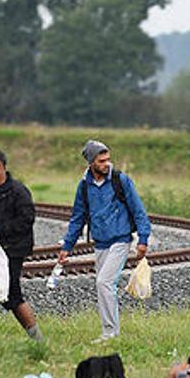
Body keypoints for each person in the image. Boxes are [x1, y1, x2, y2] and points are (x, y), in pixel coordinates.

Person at [58, 140, 152, 343]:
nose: (107, 164)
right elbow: (78, 217)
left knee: (104, 282)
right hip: (100, 243)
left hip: (121, 239)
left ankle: (110, 333)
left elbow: (138, 210)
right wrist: (67, 246)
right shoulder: (84, 186)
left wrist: (143, 239)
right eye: (102, 161)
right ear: (91, 162)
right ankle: (108, 330)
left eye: (108, 159)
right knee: (104, 286)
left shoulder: (121, 180)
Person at [0, 148, 43, 342]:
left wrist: (1, 230)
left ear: (0, 166)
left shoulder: (18, 191)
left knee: (12, 296)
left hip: (14, 249)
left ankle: (38, 340)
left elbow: (27, 219)